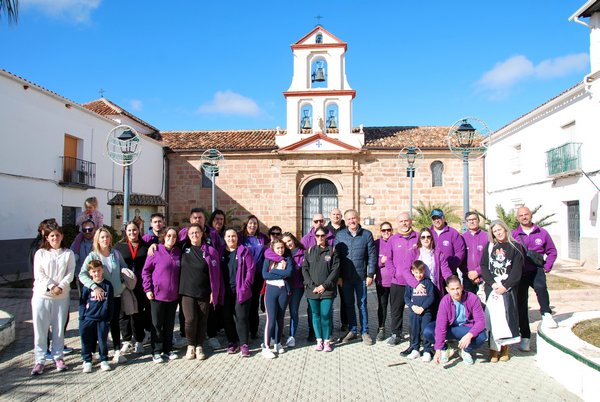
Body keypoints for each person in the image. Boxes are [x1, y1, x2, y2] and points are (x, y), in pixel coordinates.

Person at [30, 223, 75, 375]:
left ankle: (58, 357)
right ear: (47, 238)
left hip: (61, 297)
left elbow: (70, 273)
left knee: (59, 329)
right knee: (40, 330)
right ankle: (40, 360)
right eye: (52, 236)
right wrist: (51, 286)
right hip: (42, 296)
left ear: (62, 236)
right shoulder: (40, 253)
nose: (55, 238)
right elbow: (39, 273)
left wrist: (60, 286)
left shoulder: (68, 253)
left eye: (57, 235)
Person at [512, 206, 558, 352]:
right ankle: (525, 337)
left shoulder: (542, 233)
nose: (524, 217)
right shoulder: (513, 234)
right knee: (521, 305)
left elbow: (552, 251)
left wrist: (547, 266)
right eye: (521, 215)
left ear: (531, 215)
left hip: (536, 270)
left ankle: (546, 314)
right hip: (520, 273)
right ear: (517, 218)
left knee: (541, 287)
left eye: (526, 214)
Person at [80, 227, 129, 365]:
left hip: (116, 295)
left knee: (115, 323)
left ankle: (117, 351)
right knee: (98, 325)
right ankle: (95, 353)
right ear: (97, 239)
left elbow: (125, 269)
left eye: (107, 237)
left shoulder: (116, 254)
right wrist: (94, 287)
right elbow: (82, 274)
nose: (105, 239)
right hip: (100, 298)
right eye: (102, 237)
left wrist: (123, 285)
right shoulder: (93, 256)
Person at [481, 220, 523, 363]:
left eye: (500, 229)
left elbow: (517, 270)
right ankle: (493, 349)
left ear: (505, 229)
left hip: (507, 288)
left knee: (506, 317)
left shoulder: (515, 247)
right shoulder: (490, 247)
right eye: (495, 231)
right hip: (492, 288)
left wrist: (505, 286)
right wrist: (492, 284)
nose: (498, 233)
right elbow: (484, 266)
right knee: (493, 317)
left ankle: (505, 347)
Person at [179, 224, 223, 360]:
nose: (194, 235)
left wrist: (214, 292)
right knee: (190, 319)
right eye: (191, 233)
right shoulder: (182, 248)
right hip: (187, 291)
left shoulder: (210, 251)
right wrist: (153, 246)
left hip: (204, 291)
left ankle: (199, 346)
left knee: (202, 320)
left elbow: (216, 274)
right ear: (187, 235)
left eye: (197, 232)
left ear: (202, 233)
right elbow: (169, 241)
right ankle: (190, 345)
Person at [424, 275, 487, 365]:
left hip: (466, 328)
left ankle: (465, 350)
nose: (456, 292)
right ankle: (446, 349)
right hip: (450, 327)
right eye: (452, 289)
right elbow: (441, 326)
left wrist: (469, 335)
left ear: (462, 287)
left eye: (458, 288)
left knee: (482, 336)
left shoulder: (472, 298)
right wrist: (438, 350)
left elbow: (481, 321)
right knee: (428, 331)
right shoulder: (445, 301)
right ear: (447, 289)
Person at [336, 209, 377, 345]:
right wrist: (338, 276)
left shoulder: (366, 234)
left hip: (361, 277)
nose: (351, 221)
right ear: (345, 221)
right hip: (345, 278)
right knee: (348, 304)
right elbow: (337, 258)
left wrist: (370, 274)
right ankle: (352, 330)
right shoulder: (340, 235)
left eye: (353, 218)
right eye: (349, 219)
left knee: (362, 305)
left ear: (358, 218)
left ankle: (365, 331)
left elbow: (372, 256)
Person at [142, 227, 182, 363]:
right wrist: (148, 289)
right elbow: (146, 271)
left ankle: (168, 349)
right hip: (157, 295)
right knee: (157, 324)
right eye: (169, 235)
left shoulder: (178, 252)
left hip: (173, 295)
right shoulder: (156, 251)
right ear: (164, 236)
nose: (171, 238)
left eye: (174, 236)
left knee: (169, 324)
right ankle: (156, 351)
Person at [114, 221, 150, 356]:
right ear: (125, 231)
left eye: (134, 230)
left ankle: (139, 340)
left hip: (140, 285)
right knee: (123, 313)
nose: (132, 233)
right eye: (129, 230)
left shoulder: (145, 246)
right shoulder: (119, 246)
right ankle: (127, 340)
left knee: (138, 313)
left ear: (138, 230)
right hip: (125, 284)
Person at [302, 227, 340, 352]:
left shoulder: (332, 251)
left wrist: (324, 286)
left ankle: (327, 341)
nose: (320, 238)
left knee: (325, 315)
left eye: (322, 235)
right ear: (314, 237)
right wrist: (312, 286)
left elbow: (335, 271)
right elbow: (305, 269)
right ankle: (319, 340)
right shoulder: (309, 251)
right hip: (312, 290)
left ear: (326, 237)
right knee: (316, 315)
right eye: (317, 236)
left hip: (327, 290)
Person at [220, 229, 255, 358]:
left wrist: (245, 286)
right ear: (224, 238)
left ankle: (244, 344)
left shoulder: (244, 251)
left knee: (241, 318)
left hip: (241, 291)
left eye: (233, 236)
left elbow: (251, 270)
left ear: (237, 237)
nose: (231, 239)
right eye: (228, 236)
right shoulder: (220, 252)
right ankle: (232, 342)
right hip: (225, 291)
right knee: (227, 318)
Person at [387, 212, 419, 346]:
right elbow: (388, 259)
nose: (404, 223)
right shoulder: (393, 239)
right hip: (398, 281)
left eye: (406, 221)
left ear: (410, 222)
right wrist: (394, 273)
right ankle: (396, 334)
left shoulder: (418, 237)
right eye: (401, 221)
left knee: (416, 309)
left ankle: (417, 334)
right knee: (396, 309)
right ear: (397, 223)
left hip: (415, 282)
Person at [79, 260, 114, 373]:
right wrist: (82, 316)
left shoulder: (108, 285)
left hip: (102, 319)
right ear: (90, 272)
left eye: (98, 270)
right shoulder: (87, 286)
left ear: (102, 270)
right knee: (86, 339)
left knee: (102, 340)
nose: (96, 273)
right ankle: (87, 360)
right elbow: (82, 302)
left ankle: (104, 359)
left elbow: (111, 303)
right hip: (88, 318)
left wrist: (108, 317)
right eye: (94, 271)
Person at [238, 215, 269, 339]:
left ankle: (254, 330)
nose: (253, 225)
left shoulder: (262, 237)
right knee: (244, 302)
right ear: (246, 224)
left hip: (258, 275)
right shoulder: (240, 237)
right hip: (243, 275)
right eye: (250, 223)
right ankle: (242, 329)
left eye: (255, 223)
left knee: (254, 302)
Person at [261, 239, 293, 358]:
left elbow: (289, 273)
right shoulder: (268, 259)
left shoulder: (288, 259)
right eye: (278, 248)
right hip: (271, 291)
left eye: (282, 247)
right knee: (271, 319)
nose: (280, 250)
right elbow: (265, 275)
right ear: (273, 249)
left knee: (280, 318)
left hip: (283, 291)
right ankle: (266, 347)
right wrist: (278, 271)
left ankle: (277, 343)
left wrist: (274, 273)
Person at [402, 261, 435, 361]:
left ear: (424, 271)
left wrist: (423, 307)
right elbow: (406, 297)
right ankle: (415, 349)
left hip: (426, 313)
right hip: (414, 312)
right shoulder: (410, 284)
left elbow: (431, 297)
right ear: (412, 271)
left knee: (425, 331)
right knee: (414, 331)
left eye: (421, 272)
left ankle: (427, 351)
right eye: (416, 272)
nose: (419, 275)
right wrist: (412, 306)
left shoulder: (428, 283)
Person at [279, 232, 305, 347]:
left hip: (297, 287)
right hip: (284, 287)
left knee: (293, 311)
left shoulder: (303, 253)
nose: (288, 244)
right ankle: (278, 335)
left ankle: (292, 336)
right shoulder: (282, 254)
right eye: (285, 243)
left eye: (289, 241)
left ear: (293, 240)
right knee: (281, 312)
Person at [410, 227, 452, 299]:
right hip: (419, 288)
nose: (426, 239)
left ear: (432, 238)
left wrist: (452, 282)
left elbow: (445, 271)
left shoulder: (438, 253)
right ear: (419, 239)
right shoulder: (413, 252)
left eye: (428, 237)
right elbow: (405, 270)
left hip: (434, 287)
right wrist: (415, 284)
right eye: (423, 237)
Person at [324, 208, 347, 332]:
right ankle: (329, 324)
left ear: (341, 216)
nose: (336, 216)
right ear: (330, 216)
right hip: (328, 270)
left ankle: (345, 323)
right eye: (334, 214)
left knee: (345, 299)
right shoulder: (325, 230)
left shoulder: (346, 229)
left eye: (338, 214)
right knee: (328, 299)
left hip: (343, 269)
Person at [430, 209, 466, 276]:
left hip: (450, 273)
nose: (436, 220)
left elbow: (460, 252)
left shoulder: (453, 233)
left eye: (439, 218)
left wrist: (451, 267)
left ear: (443, 218)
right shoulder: (428, 233)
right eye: (434, 218)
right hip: (431, 274)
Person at [374, 222, 394, 341]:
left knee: (396, 307)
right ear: (380, 231)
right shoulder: (376, 243)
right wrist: (381, 261)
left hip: (396, 281)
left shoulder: (396, 241)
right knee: (382, 306)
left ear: (392, 230)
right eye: (384, 230)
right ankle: (381, 328)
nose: (386, 232)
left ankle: (396, 330)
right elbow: (372, 261)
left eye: (388, 230)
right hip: (381, 281)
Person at [461, 211, 488, 294]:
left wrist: (477, 272)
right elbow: (460, 259)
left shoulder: (486, 236)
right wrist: (469, 274)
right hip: (468, 278)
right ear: (466, 222)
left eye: (474, 219)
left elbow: (489, 258)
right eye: (469, 220)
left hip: (484, 277)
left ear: (478, 220)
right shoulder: (462, 238)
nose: (471, 222)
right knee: (469, 300)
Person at [71, 219, 96, 292]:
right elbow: (71, 259)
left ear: (94, 229)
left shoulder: (99, 242)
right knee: (82, 298)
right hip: (82, 277)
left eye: (90, 229)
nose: (87, 232)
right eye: (84, 230)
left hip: (97, 276)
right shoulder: (76, 243)